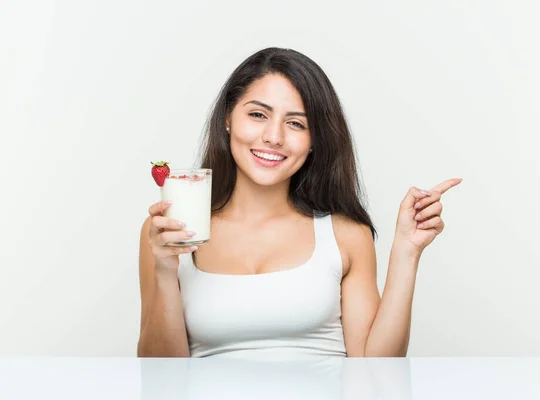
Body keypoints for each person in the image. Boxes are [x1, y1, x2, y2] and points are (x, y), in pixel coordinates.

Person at [137, 47, 462, 359]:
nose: (273, 136)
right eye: (257, 114)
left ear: (314, 141)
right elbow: (160, 376)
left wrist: (407, 250)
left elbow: (375, 369)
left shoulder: (346, 234)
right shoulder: (169, 232)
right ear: (228, 119)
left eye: (296, 123)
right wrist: (165, 270)